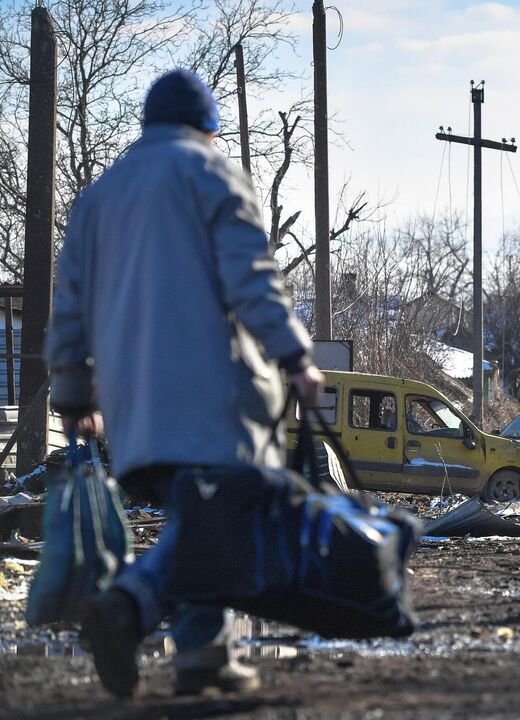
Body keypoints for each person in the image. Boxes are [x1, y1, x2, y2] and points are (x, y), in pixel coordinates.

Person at [45, 70, 324, 699]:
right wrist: (295, 356)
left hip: (133, 406)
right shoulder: (211, 174)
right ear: (208, 127)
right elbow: (251, 278)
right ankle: (129, 606)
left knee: (198, 521)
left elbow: (69, 306)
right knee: (221, 521)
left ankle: (205, 656)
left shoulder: (99, 197)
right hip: (213, 397)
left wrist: (72, 390)